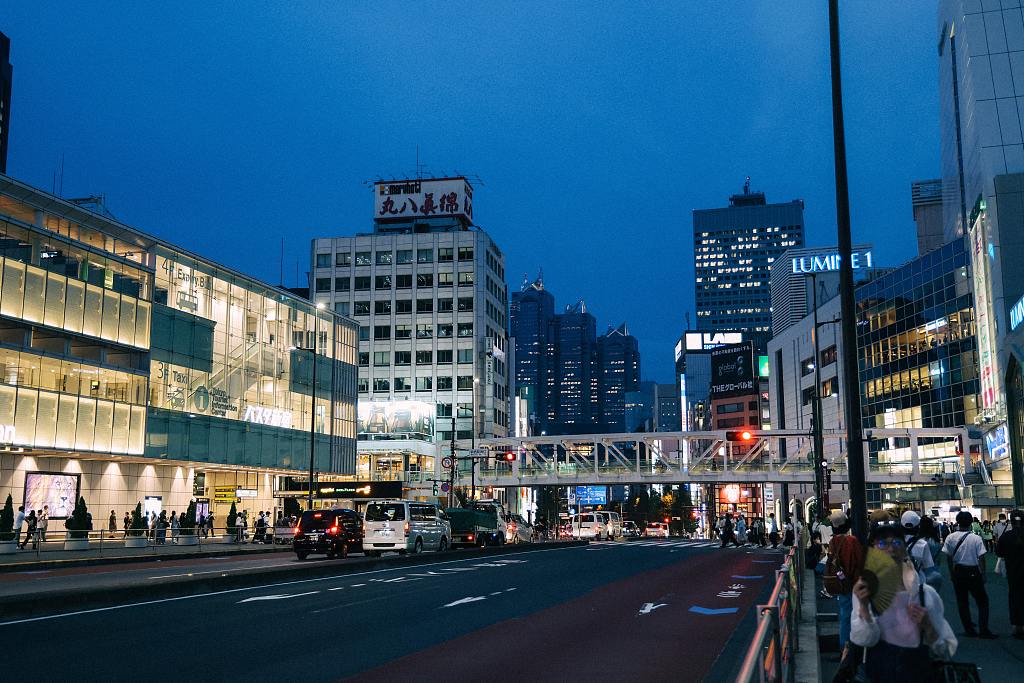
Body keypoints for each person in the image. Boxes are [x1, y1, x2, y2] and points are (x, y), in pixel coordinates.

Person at [850, 519, 957, 682]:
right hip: (879, 674)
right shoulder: (866, 593)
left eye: (895, 542)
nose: (890, 549)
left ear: (905, 549)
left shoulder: (925, 595)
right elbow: (864, 640)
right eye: (882, 544)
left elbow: (945, 651)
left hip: (918, 674)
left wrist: (927, 625)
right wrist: (864, 607)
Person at [943, 510, 997, 638]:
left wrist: (951, 573)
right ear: (971, 522)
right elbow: (981, 558)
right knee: (982, 602)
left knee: (962, 602)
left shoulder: (950, 537)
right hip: (973, 571)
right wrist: (983, 574)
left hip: (958, 571)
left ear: (957, 522)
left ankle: (969, 630)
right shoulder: (975, 538)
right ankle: (984, 630)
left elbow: (948, 558)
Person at [827, 510, 863, 653]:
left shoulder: (832, 542)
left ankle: (844, 650)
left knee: (845, 617)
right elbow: (860, 561)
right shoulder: (851, 540)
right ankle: (855, 650)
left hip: (841, 582)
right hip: (854, 582)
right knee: (858, 616)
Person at [995, 509, 1024, 640]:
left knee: (1014, 597)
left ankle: (1017, 626)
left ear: (1011, 521)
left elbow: (999, 553)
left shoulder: (1006, 536)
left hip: (1013, 571)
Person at [901, 511, 937, 588]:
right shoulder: (922, 544)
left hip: (900, 585)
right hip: (918, 584)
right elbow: (926, 567)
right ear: (918, 526)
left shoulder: (894, 543)